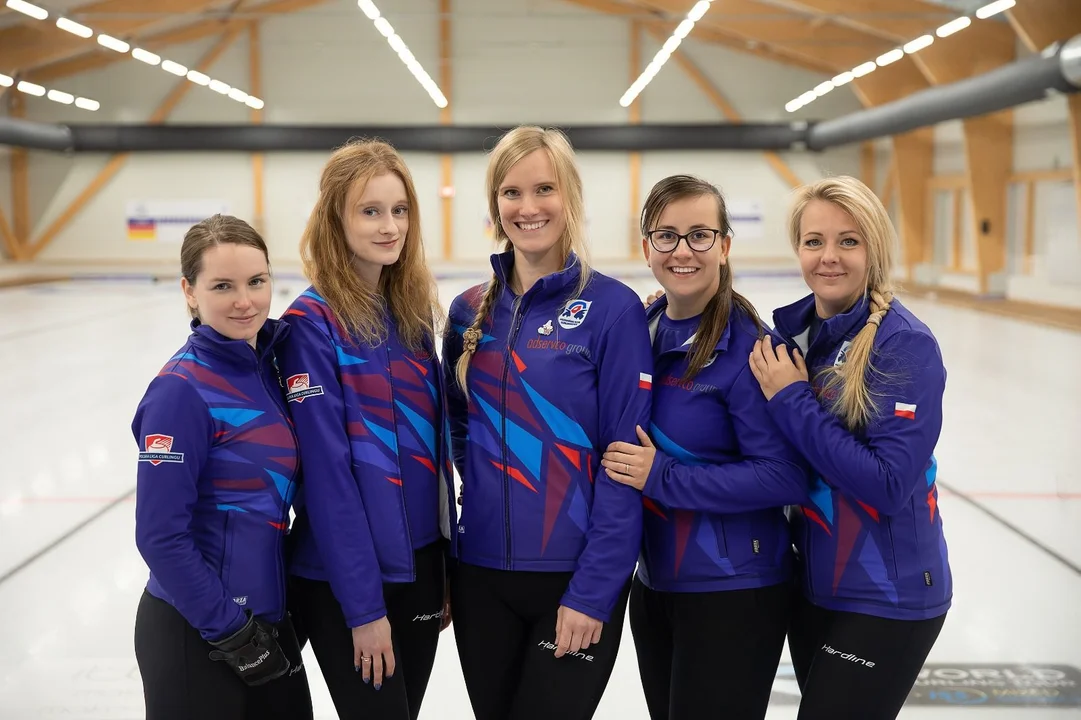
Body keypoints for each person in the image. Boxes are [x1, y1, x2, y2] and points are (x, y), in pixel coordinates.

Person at [441, 125, 653, 720]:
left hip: (574, 575)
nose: (528, 207)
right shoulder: (467, 312)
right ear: (495, 205)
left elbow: (624, 461)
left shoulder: (612, 309)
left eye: (544, 189)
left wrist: (595, 589)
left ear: (571, 198)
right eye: (511, 192)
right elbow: (458, 426)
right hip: (481, 576)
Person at [598, 174, 812, 719]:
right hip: (656, 584)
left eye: (700, 235)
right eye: (666, 236)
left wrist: (662, 475)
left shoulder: (753, 352)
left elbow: (786, 475)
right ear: (647, 247)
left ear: (724, 246)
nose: (682, 251)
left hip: (733, 591)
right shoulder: (640, 331)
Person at [748, 175, 951, 719]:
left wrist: (793, 400)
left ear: (873, 249)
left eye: (848, 241)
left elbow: (887, 484)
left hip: (890, 596)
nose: (828, 257)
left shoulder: (904, 344)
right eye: (814, 241)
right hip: (815, 587)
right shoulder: (795, 337)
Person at [276, 138, 457, 720]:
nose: (390, 226)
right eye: (370, 211)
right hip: (348, 580)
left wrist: (445, 564)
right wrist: (363, 609)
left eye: (399, 210)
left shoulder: (410, 314)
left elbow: (436, 455)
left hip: (421, 568)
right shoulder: (312, 325)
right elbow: (327, 477)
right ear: (336, 219)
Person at [132, 214, 313, 720]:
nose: (245, 301)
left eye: (256, 281)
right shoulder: (179, 392)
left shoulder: (270, 369)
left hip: (268, 622)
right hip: (200, 634)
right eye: (222, 286)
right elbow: (159, 535)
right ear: (189, 292)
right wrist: (232, 631)